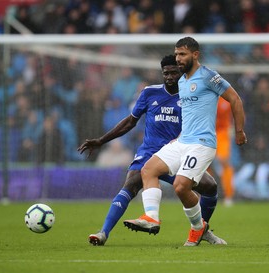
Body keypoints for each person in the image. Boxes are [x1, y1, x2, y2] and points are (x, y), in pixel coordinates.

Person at [78, 55, 226, 246]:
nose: (170, 76)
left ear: (181, 72)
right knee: (131, 184)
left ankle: (202, 230)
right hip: (149, 153)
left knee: (211, 187)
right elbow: (130, 122)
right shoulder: (149, 93)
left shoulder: (191, 96)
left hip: (178, 153)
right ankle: (103, 233)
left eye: (174, 72)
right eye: (166, 73)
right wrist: (101, 140)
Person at [124, 37, 247, 247]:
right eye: (177, 53)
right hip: (182, 141)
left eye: (182, 54)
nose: (178, 58)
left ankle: (197, 229)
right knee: (148, 169)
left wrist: (239, 131)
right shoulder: (182, 80)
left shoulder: (208, 76)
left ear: (195, 55)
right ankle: (152, 218)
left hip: (202, 143)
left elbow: (235, 99)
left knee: (181, 187)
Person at [209, 96, 235, 206]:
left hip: (222, 133)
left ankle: (229, 195)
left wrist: (235, 127)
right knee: (204, 164)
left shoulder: (226, 100)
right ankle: (205, 194)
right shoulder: (204, 97)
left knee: (223, 160)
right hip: (206, 132)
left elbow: (237, 111)